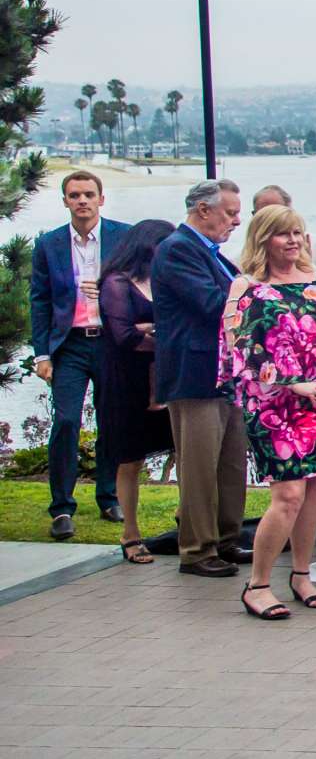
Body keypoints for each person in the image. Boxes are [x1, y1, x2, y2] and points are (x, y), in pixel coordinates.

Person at [220, 205, 316, 620]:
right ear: (264, 239)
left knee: (314, 488)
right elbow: (239, 348)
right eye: (284, 234)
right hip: (276, 404)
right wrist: (293, 383)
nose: (294, 241)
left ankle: (301, 573)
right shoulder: (247, 287)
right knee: (288, 493)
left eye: (298, 232)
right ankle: (257, 584)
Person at [154, 178, 245, 578]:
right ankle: (196, 548)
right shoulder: (178, 250)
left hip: (225, 374)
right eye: (230, 213)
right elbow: (213, 304)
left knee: (230, 463)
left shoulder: (216, 255)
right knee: (199, 465)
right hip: (195, 373)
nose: (237, 221)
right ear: (203, 210)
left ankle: (225, 537)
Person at [29, 169, 127, 538]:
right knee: (67, 421)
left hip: (111, 342)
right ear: (65, 201)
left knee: (112, 422)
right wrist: (41, 354)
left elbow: (141, 284)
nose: (82, 201)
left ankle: (109, 496)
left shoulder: (123, 236)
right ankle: (62, 508)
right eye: (75, 195)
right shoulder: (50, 244)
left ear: (101, 199)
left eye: (88, 194)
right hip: (68, 344)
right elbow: (39, 300)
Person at [93, 219, 176, 564]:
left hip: (164, 380)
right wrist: (161, 335)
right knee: (130, 459)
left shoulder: (163, 281)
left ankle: (189, 524)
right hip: (126, 382)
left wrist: (150, 330)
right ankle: (131, 533)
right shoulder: (116, 282)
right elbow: (124, 334)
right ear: (147, 245)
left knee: (181, 450)